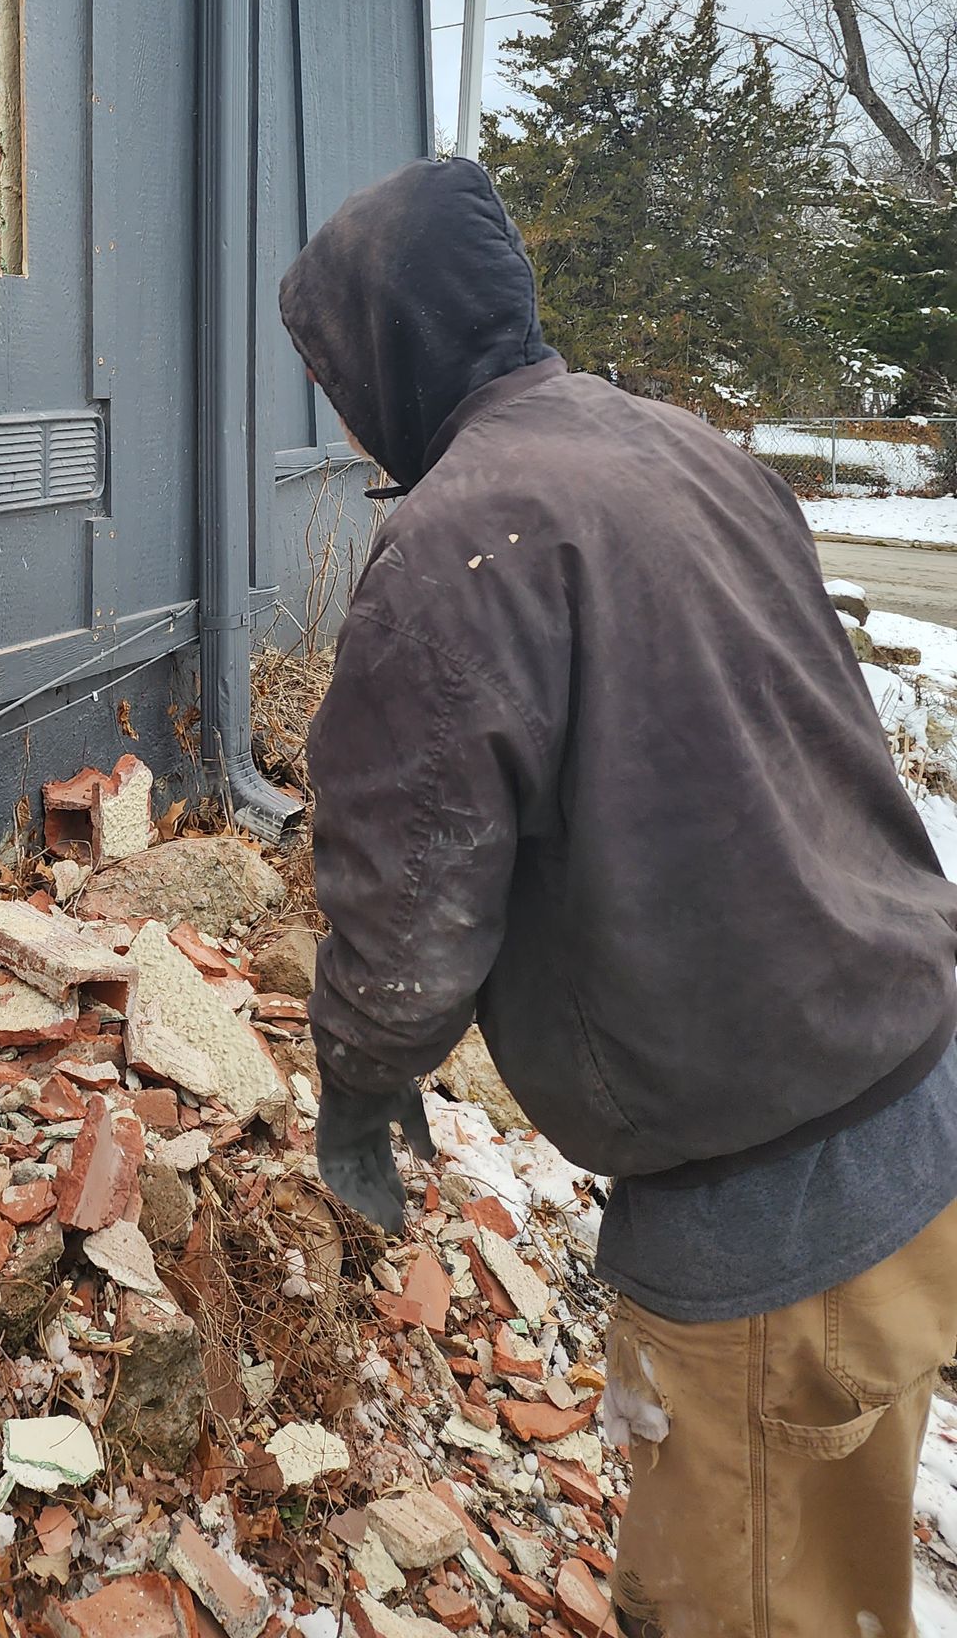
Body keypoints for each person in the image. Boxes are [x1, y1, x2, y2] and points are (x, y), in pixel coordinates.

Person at [276, 155, 957, 1637]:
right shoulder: (686, 448)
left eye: (331, 367)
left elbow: (409, 903)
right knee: (844, 1567)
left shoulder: (454, 547)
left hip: (772, 1206)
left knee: (752, 1606)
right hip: (912, 1090)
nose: (335, 410)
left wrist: (359, 1081)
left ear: (387, 347)